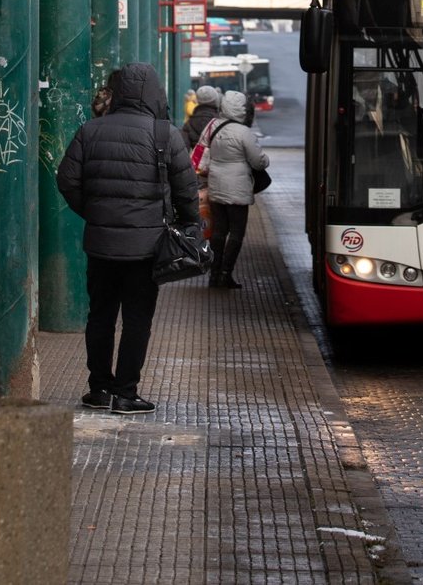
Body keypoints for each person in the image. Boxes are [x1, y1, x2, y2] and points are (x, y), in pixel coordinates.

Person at [56, 61, 199, 414]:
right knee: (137, 319)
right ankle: (126, 393)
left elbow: (67, 180)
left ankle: (99, 389)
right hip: (146, 250)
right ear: (155, 92)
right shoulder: (165, 135)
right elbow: (186, 190)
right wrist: (191, 225)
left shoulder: (90, 131)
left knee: (100, 316)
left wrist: (95, 213)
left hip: (101, 246)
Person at [200, 89, 270, 290]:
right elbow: (258, 162)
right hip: (238, 190)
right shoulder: (244, 133)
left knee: (219, 232)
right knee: (237, 233)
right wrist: (266, 160)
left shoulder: (214, 127)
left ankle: (213, 275)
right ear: (242, 110)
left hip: (216, 186)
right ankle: (225, 274)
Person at [182, 85, 221, 150]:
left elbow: (184, 149)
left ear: (198, 100)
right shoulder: (221, 122)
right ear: (215, 100)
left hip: (198, 159)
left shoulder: (189, 124)